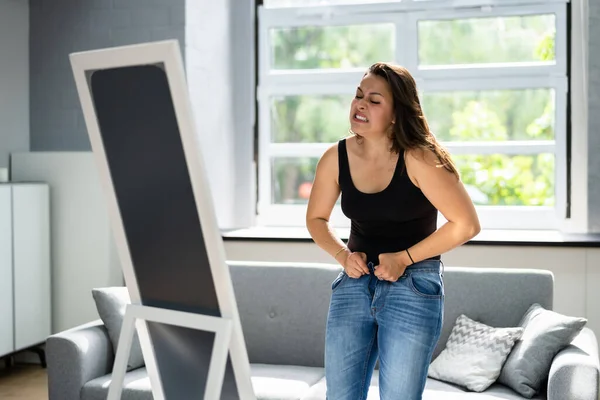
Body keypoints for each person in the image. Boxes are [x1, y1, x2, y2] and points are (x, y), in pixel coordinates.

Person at [305, 62, 481, 400]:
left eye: (374, 100)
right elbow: (316, 219)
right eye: (358, 96)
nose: (360, 105)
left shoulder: (419, 157)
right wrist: (342, 254)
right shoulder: (335, 157)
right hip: (354, 285)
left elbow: (466, 224)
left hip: (413, 287)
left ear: (397, 113)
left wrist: (404, 258)